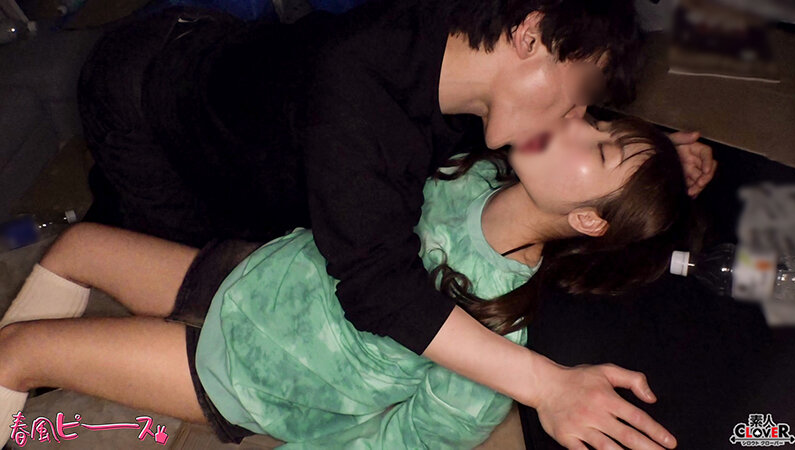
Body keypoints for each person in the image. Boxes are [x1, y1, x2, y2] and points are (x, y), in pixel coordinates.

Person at [77, 0, 714, 447]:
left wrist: (647, 172)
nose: (571, 120)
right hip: (148, 95)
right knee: (147, 256)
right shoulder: (357, 92)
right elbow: (377, 286)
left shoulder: (469, 73)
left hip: (236, 81)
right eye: (580, 99)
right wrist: (546, 385)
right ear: (531, 34)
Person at [1, 117, 690, 449]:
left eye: (599, 147)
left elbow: (410, 440)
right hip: (254, 279)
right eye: (600, 123)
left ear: (586, 220)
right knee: (78, 245)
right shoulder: (474, 172)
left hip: (255, 371)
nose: (577, 122)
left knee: (22, 351)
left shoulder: (498, 326)